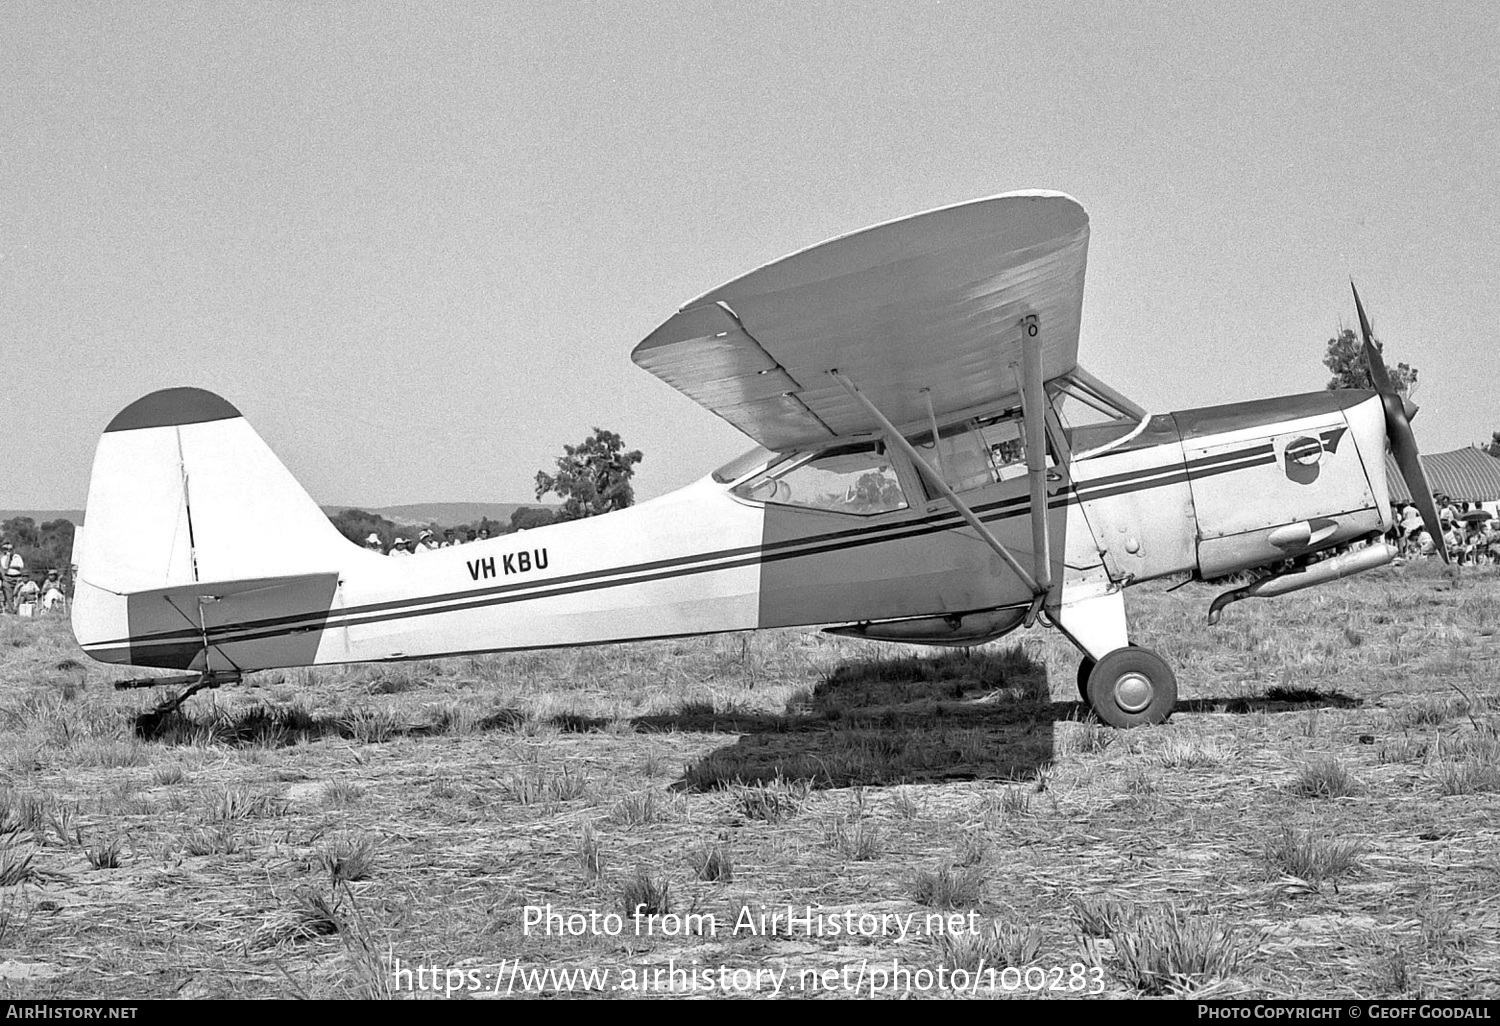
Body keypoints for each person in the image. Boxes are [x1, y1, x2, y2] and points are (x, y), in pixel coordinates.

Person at [0, 542, 24, 614]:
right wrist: (8, 557)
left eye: (10, 549)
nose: (9, 550)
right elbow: (5, 566)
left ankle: (19, 610)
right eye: (7, 549)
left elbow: (21, 566)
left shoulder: (17, 556)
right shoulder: (3, 558)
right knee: (9, 596)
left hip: (18, 577)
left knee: (19, 594)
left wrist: (12, 566)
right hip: (8, 578)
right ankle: (12, 612)